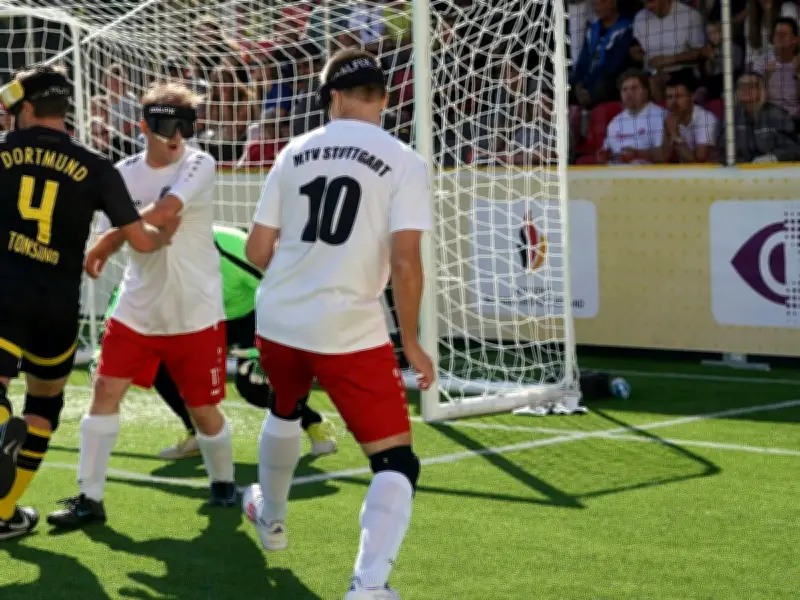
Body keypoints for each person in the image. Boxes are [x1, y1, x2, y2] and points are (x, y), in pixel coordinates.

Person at [242, 49, 435, 600]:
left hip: (278, 318)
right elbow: (405, 263)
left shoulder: (294, 150)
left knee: (285, 405)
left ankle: (272, 518)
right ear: (383, 96)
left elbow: (258, 248)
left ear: (333, 95)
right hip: (348, 327)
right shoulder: (404, 159)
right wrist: (413, 341)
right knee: (395, 460)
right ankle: (369, 584)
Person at [47, 81, 237, 531]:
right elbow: (138, 237)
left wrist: (109, 240)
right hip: (135, 311)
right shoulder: (122, 173)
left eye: (185, 125)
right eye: (165, 125)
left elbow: (167, 213)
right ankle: (89, 498)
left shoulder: (199, 162)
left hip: (195, 313)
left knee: (203, 410)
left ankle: (224, 483)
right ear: (143, 126)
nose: (176, 136)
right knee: (104, 391)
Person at [0, 65, 176, 540]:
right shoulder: (97, 165)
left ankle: (0, 425)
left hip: (4, 290)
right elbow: (141, 240)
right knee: (45, 401)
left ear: (28, 109)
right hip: (58, 306)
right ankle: (4, 512)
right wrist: (165, 226)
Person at [90, 225, 338, 460]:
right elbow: (123, 297)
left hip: (253, 316)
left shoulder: (233, 247)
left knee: (254, 384)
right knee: (157, 362)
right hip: (201, 322)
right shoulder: (156, 257)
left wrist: (267, 346)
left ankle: (313, 422)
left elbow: (282, 292)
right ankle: (196, 433)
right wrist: (103, 348)